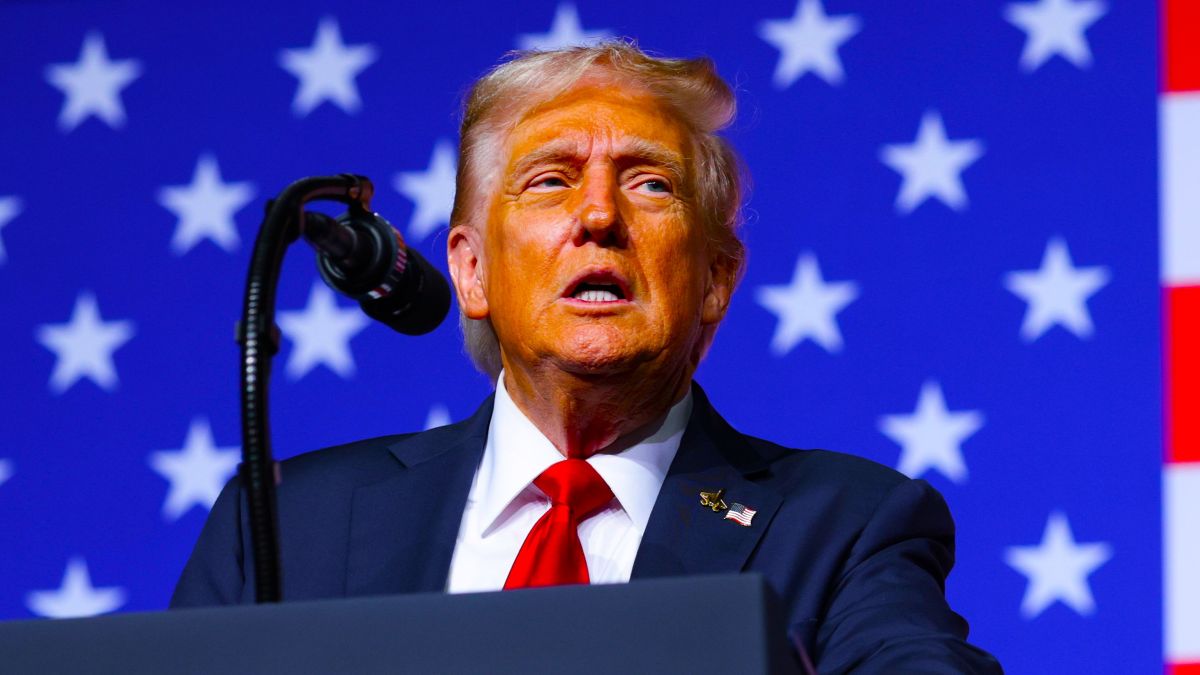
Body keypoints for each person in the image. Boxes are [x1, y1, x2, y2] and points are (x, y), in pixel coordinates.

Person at [173, 42, 1001, 673]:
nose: (599, 214)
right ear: (470, 270)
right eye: (549, 181)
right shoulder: (285, 525)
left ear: (716, 278)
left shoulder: (845, 527)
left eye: (650, 183)